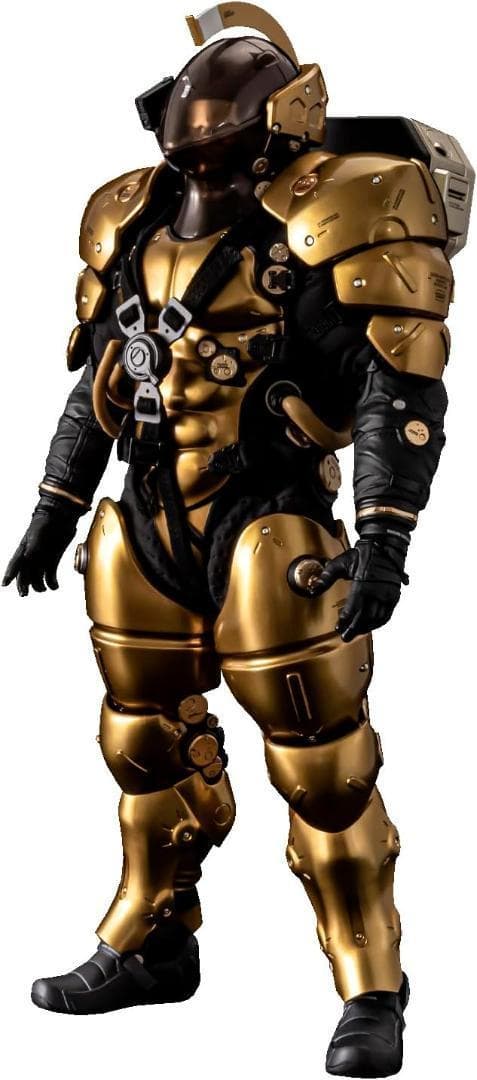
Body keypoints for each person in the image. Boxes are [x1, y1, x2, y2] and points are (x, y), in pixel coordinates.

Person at [3, 5, 472, 1076]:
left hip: (268, 518)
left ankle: (371, 987)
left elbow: (396, 389)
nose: (201, 145)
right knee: (143, 745)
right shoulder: (131, 217)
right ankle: (152, 943)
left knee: (323, 766)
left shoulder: (338, 213)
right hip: (147, 518)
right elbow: (108, 375)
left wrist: (385, 535)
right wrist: (53, 506)